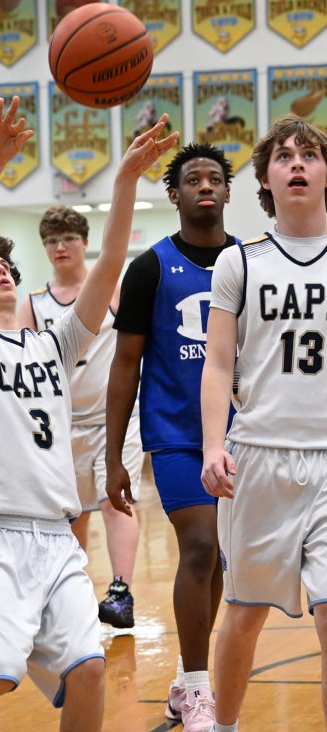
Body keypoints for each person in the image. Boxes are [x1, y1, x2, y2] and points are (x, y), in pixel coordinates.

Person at [0, 95, 178, 732]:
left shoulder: (54, 343)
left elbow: (108, 266)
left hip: (55, 533)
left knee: (89, 669)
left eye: (5, 264)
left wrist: (127, 179)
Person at [201, 115, 327, 732]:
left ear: (326, 173)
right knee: (244, 613)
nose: (297, 163)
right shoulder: (239, 264)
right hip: (259, 457)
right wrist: (211, 446)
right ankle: (223, 726)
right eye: (284, 156)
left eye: (309, 154)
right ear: (266, 179)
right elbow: (219, 362)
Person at [105, 141, 236, 732]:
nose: (204, 185)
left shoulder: (250, 261)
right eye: (193, 178)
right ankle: (202, 691)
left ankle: (187, 682)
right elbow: (125, 363)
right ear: (175, 194)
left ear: (229, 193)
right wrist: (114, 456)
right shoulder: (151, 267)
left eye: (214, 177)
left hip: (241, 437)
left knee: (218, 564)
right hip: (176, 437)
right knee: (201, 548)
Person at [18, 205, 143, 629]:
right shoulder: (33, 304)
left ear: (85, 242)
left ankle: (121, 591)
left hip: (115, 416)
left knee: (116, 502)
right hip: (60, 424)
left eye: (67, 238)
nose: (59, 248)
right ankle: (75, 595)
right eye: (51, 241)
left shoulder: (110, 289)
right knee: (73, 513)